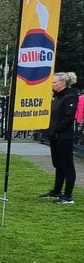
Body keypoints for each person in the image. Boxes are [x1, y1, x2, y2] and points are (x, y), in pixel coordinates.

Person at [41, 71, 78, 204]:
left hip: (64, 136)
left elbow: (69, 117)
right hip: (55, 136)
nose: (52, 84)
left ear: (62, 83)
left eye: (54, 82)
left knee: (67, 165)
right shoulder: (57, 97)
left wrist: (56, 129)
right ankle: (57, 191)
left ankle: (68, 195)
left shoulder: (70, 97)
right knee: (58, 164)